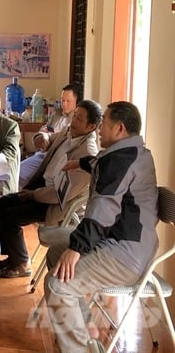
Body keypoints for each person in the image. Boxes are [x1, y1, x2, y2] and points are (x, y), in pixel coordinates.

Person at [45, 101, 159, 351]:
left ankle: (79, 348)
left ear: (119, 128)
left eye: (104, 124)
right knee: (55, 255)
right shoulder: (130, 152)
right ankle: (83, 331)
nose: (98, 128)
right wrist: (81, 163)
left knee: (58, 285)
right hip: (130, 244)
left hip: (125, 254)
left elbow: (103, 209)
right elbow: (101, 165)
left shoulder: (120, 160)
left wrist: (77, 248)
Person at [0, 100, 101, 278]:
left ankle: (21, 263)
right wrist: (42, 137)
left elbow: (62, 194)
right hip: (44, 186)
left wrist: (33, 195)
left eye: (79, 119)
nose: (73, 121)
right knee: (3, 202)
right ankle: (14, 257)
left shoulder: (88, 153)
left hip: (56, 203)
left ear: (91, 126)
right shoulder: (70, 131)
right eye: (74, 116)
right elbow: (52, 137)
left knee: (12, 213)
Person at [33, 83, 81, 150]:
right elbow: (45, 128)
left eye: (68, 101)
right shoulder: (56, 113)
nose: (64, 104)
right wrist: (42, 135)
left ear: (77, 102)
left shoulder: (77, 120)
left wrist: (49, 136)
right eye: (62, 100)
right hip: (44, 150)